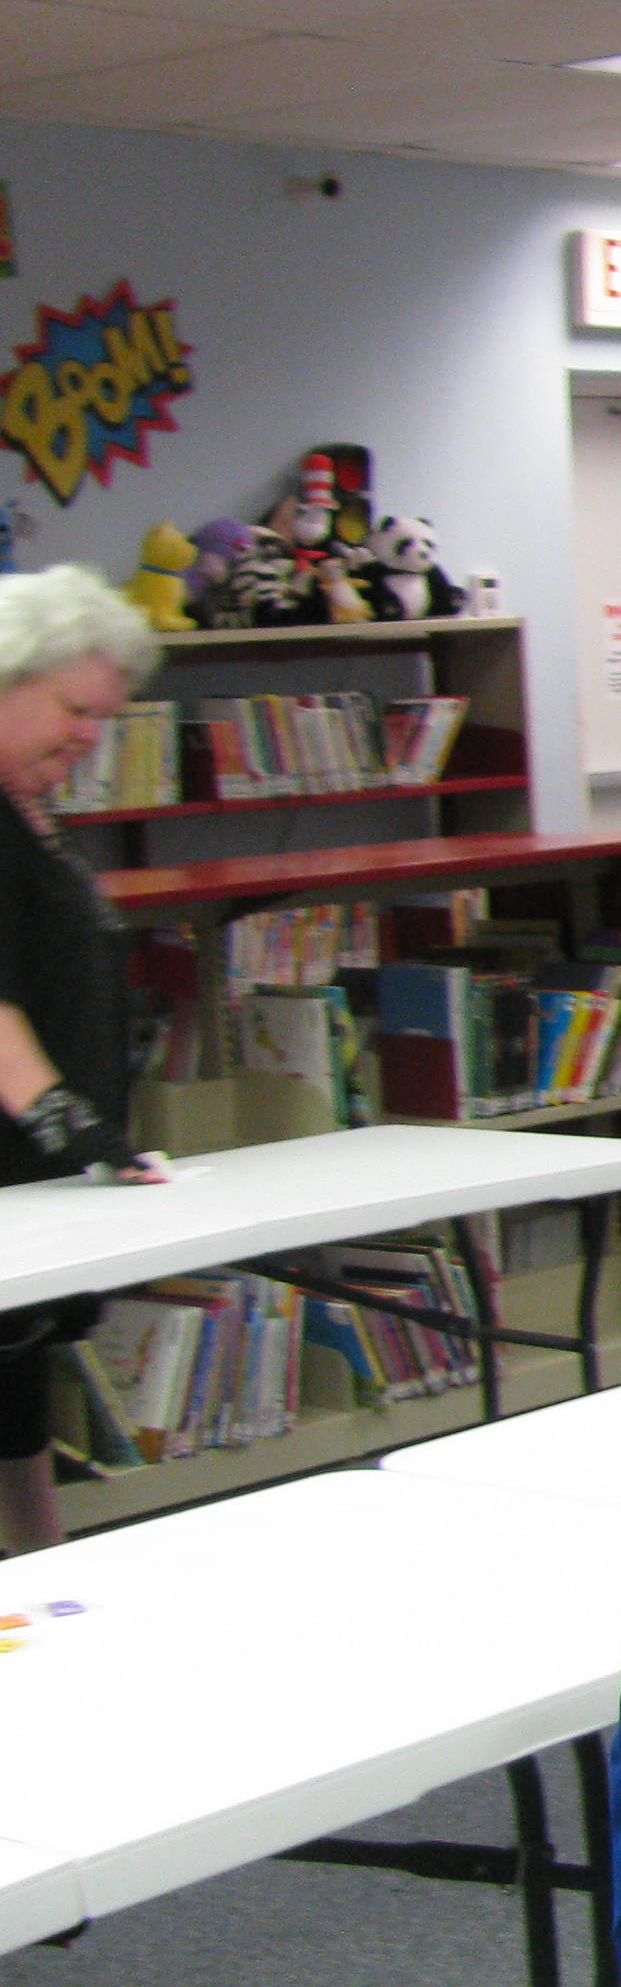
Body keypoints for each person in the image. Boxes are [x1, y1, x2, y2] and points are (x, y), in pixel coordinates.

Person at [0, 565, 170, 1554]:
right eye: (74, 711)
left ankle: (40, 1572)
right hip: (14, 1174)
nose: (88, 738)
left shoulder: (28, 810)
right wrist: (75, 1129)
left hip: (30, 1191)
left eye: (104, 719)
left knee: (17, 1400)